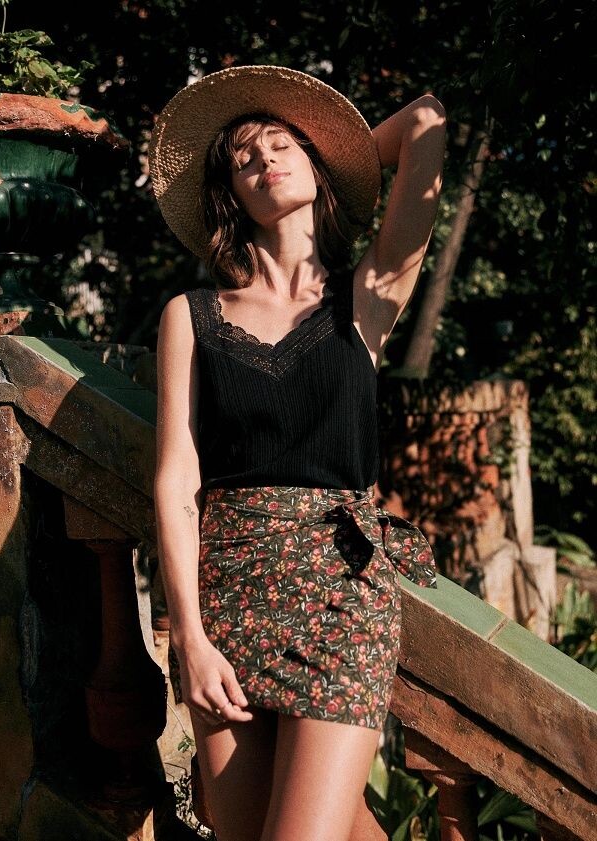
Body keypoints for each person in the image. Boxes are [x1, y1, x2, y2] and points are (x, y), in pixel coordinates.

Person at [149, 64, 446, 841]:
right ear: (230, 195)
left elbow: (425, 121)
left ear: (317, 169)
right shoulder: (191, 316)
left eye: (282, 145)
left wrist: (338, 152)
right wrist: (190, 639)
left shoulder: (368, 296)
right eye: (244, 158)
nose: (265, 160)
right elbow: (177, 481)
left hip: (340, 596)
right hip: (227, 595)